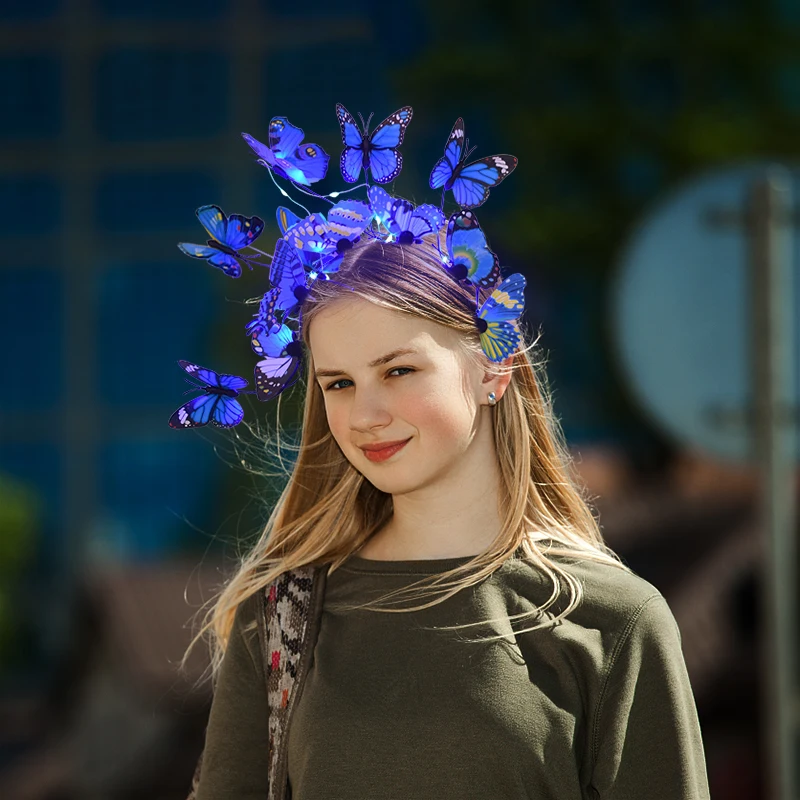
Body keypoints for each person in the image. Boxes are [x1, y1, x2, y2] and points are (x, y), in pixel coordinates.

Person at [176, 108, 711, 800]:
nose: (366, 415)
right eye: (340, 383)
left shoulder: (612, 620)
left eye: (399, 371)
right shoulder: (280, 615)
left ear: (493, 369)